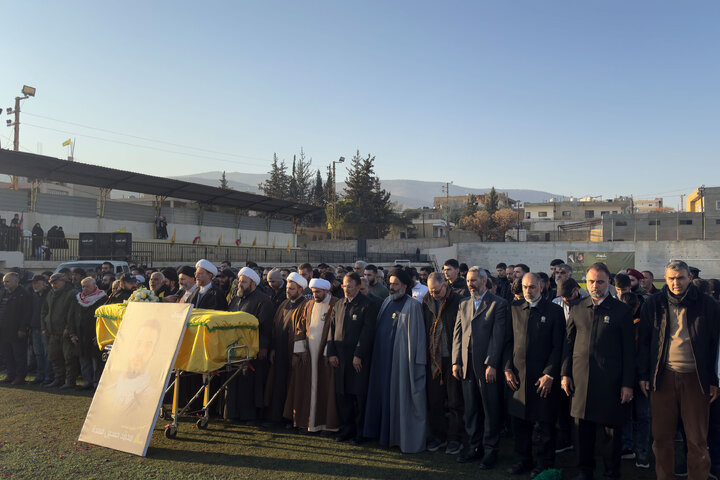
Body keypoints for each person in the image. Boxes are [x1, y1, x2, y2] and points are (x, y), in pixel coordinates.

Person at [637, 260, 720, 480]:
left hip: (696, 379)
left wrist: (714, 380)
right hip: (662, 377)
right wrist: (644, 375)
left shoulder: (707, 304)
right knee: (661, 439)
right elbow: (644, 341)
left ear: (689, 278)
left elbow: (715, 345)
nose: (676, 283)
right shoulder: (653, 303)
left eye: (681, 278)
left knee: (697, 441)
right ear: (665, 279)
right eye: (671, 278)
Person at [561, 262, 634, 480]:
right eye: (591, 281)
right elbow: (568, 344)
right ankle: (585, 470)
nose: (595, 285)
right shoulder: (578, 308)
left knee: (611, 433)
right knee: (582, 430)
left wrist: (627, 384)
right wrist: (565, 373)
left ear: (609, 282)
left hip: (611, 382)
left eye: (600, 281)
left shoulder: (622, 311)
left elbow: (629, 351)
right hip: (581, 380)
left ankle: (612, 472)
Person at [504, 273, 565, 477]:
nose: (528, 291)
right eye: (524, 287)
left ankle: (545, 462)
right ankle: (523, 460)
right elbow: (507, 342)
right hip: (518, 378)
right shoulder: (513, 309)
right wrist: (507, 368)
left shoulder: (555, 312)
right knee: (520, 423)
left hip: (543, 379)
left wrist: (549, 374)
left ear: (541, 287)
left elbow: (559, 347)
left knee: (545, 424)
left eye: (532, 287)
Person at [363, 268, 427, 453]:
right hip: (381, 362)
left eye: (395, 284)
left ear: (405, 286)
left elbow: (417, 339)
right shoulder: (386, 303)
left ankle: (398, 437)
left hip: (400, 364)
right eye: (390, 284)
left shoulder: (413, 305)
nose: (391, 287)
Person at [452, 266, 508, 468]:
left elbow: (498, 336)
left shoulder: (498, 304)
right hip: (466, 367)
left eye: (474, 280)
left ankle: (490, 451)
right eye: (468, 280)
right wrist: (456, 361)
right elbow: (458, 334)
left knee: (490, 411)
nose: (470, 284)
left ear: (484, 281)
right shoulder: (464, 303)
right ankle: (474, 448)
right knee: (471, 411)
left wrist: (492, 363)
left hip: (487, 368)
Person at [284, 278, 340, 432]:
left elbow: (336, 330)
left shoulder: (336, 304)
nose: (315, 295)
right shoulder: (308, 305)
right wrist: (300, 351)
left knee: (324, 389)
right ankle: (307, 423)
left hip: (325, 356)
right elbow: (300, 328)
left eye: (319, 292)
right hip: (308, 356)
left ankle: (326, 425)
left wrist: (329, 352)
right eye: (314, 292)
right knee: (306, 388)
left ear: (327, 291)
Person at [327, 272, 376, 444]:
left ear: (357, 286)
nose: (346, 289)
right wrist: (331, 352)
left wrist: (358, 355)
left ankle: (360, 433)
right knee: (343, 396)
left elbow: (367, 333)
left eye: (350, 286)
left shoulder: (367, 305)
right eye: (344, 286)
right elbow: (331, 330)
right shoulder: (339, 304)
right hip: (340, 359)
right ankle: (346, 430)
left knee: (358, 397)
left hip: (357, 361)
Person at [224, 267, 276, 423]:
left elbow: (266, 327)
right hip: (233, 349)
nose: (240, 284)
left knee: (249, 383)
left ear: (253, 283)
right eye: (239, 281)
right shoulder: (235, 299)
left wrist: (263, 347)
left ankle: (249, 416)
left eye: (243, 282)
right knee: (233, 381)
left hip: (252, 350)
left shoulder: (263, 300)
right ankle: (232, 413)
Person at [423, 272, 463, 455]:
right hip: (433, 359)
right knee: (435, 400)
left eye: (436, 291)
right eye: (431, 291)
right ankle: (438, 436)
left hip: (453, 359)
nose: (433, 294)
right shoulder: (426, 302)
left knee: (455, 401)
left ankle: (455, 438)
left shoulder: (459, 302)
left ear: (445, 286)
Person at [266, 272, 307, 425]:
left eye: (292, 289)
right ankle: (275, 417)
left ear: (300, 290)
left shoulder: (305, 306)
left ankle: (289, 419)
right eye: (288, 288)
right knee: (277, 384)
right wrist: (273, 349)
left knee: (292, 386)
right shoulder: (284, 304)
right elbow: (276, 327)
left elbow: (303, 333)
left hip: (293, 354)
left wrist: (298, 355)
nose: (288, 291)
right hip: (279, 352)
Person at [68, 277, 106, 390]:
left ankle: (96, 383)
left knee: (96, 361)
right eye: (83, 286)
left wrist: (100, 335)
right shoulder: (77, 299)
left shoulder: (102, 299)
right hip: (80, 335)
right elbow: (71, 317)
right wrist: (72, 333)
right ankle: (87, 381)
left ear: (95, 286)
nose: (85, 288)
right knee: (84, 360)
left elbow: (104, 319)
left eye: (87, 286)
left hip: (94, 335)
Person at [41, 274, 78, 389]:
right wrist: (44, 327)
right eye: (52, 282)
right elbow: (44, 312)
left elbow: (73, 313)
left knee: (69, 358)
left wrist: (68, 328)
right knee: (54, 357)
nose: (53, 284)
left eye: (56, 282)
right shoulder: (51, 294)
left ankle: (70, 381)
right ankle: (59, 379)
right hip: (52, 331)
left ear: (64, 281)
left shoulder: (72, 293)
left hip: (65, 332)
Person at [0, 273, 32, 385]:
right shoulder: (4, 293)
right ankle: (10, 375)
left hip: (16, 330)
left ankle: (20, 377)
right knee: (7, 354)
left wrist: (22, 328)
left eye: (7, 281)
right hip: (4, 330)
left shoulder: (23, 294)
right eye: (4, 281)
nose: (5, 283)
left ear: (16, 281)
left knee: (19, 355)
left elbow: (26, 313)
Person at [29, 275, 52, 385]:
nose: (34, 285)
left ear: (43, 283)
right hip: (35, 328)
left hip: (45, 329)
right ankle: (40, 375)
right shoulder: (35, 295)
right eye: (33, 283)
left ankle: (48, 376)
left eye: (36, 282)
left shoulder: (49, 295)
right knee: (38, 353)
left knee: (47, 353)